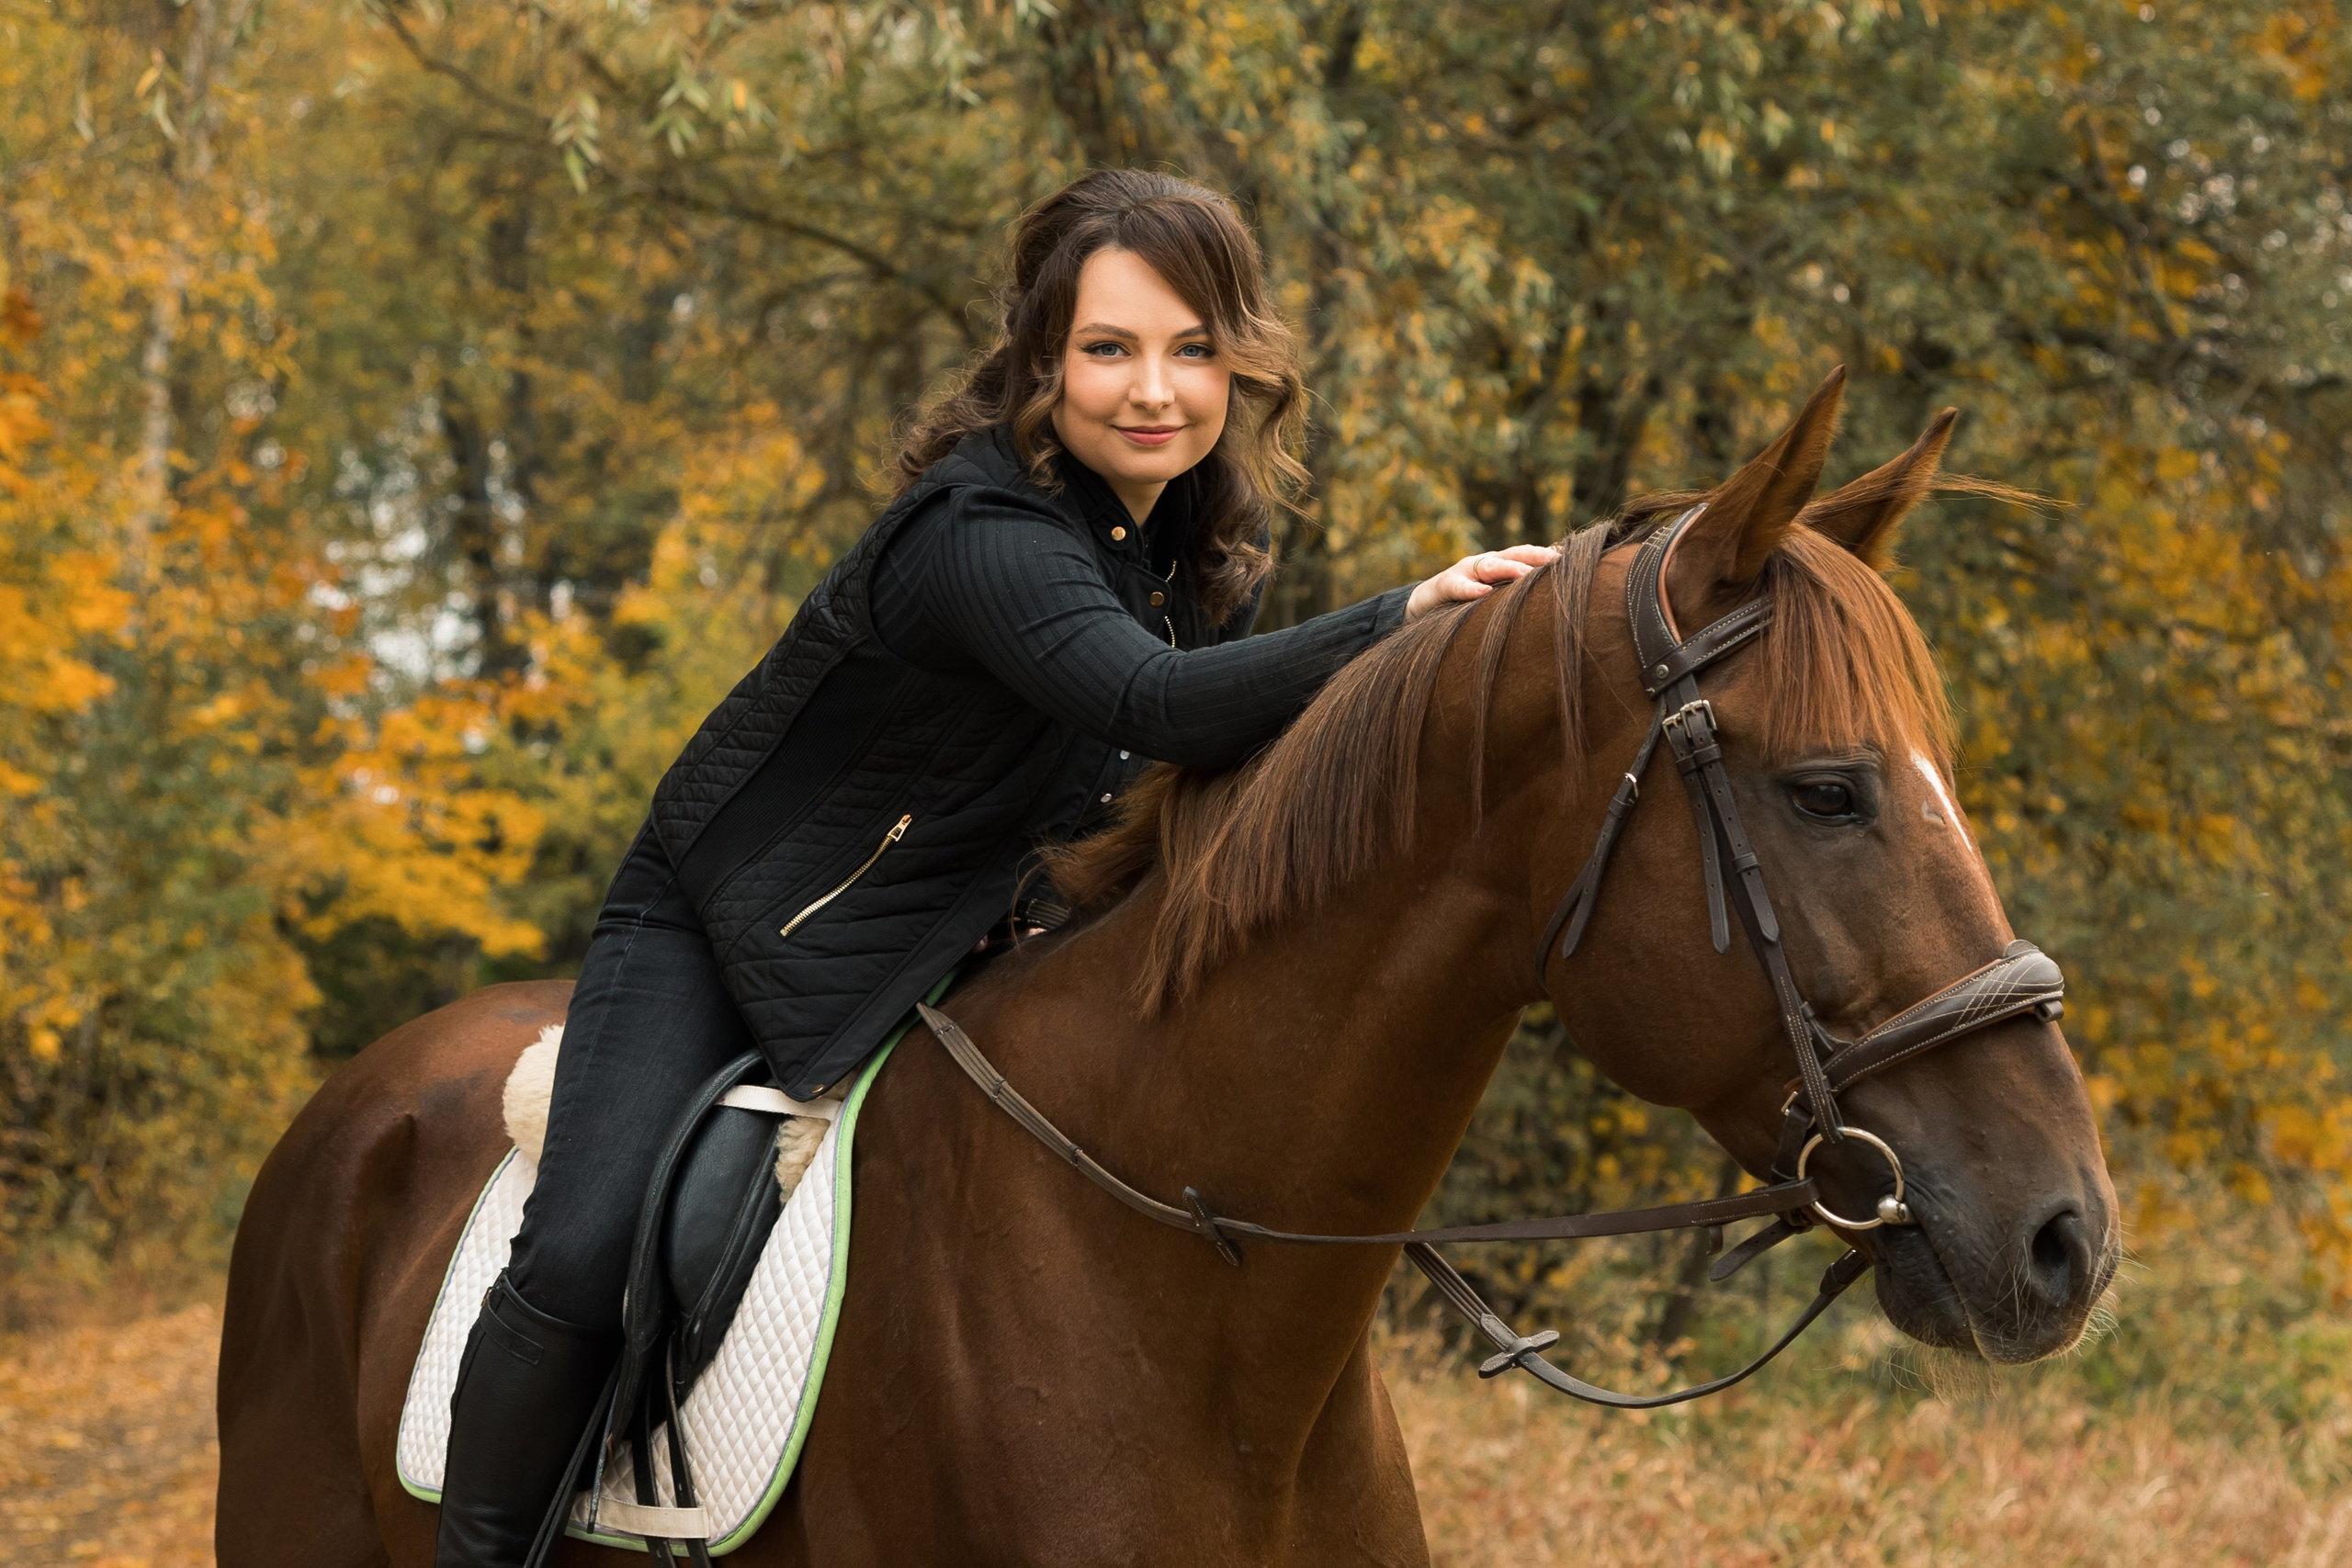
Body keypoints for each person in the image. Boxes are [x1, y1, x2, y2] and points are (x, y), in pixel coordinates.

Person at [432, 167, 1552, 1566]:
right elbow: (1148, 704)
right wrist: (1407, 616)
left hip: (960, 928)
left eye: (1192, 350)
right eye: (1109, 349)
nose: (1155, 390)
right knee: (587, 1246)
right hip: (728, 923)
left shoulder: (1194, 545)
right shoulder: (980, 533)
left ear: (1239, 366)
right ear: (1042, 362)